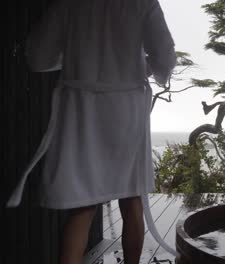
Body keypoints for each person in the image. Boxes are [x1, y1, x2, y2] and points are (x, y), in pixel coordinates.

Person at [6, 0, 178, 263]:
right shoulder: (143, 2)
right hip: (126, 109)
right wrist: (149, 68)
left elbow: (38, 56)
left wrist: (75, 59)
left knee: (83, 205)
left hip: (81, 110)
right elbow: (165, 54)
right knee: (131, 198)